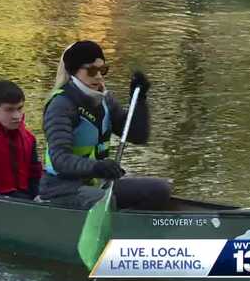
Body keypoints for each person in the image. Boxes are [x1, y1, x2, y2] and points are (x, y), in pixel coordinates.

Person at [39, 40, 171, 209]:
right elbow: (60, 160)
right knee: (103, 201)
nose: (99, 76)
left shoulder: (104, 100)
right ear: (74, 72)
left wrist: (139, 100)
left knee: (160, 190)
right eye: (92, 70)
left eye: (103, 70)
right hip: (60, 189)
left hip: (96, 183)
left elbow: (137, 136)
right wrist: (98, 167)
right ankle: (117, 228)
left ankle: (131, 228)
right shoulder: (61, 105)